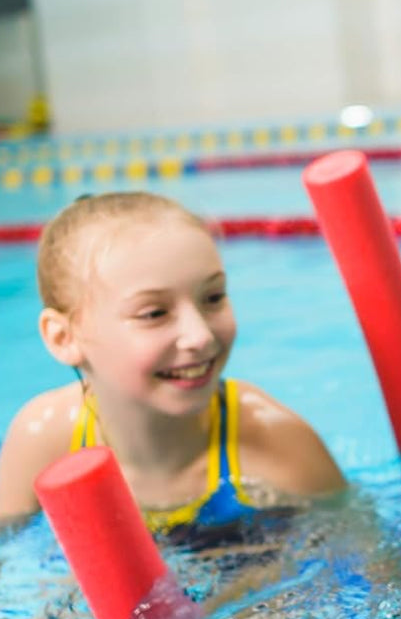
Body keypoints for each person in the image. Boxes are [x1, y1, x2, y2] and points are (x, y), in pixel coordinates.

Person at [0, 191, 346, 533]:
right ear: (65, 338)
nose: (200, 336)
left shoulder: (279, 445)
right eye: (154, 313)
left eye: (213, 298)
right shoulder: (44, 439)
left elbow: (369, 568)